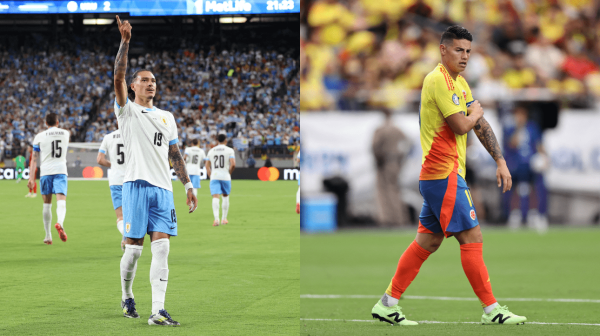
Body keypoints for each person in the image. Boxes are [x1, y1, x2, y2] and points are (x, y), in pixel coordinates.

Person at [371, 25, 527, 326]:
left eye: (468, 51)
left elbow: (477, 125)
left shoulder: (459, 83)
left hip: (441, 176)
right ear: (443, 50)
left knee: (426, 243)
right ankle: (491, 309)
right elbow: (462, 125)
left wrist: (500, 159)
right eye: (459, 49)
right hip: (443, 174)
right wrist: (476, 114)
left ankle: (387, 303)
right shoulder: (437, 80)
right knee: (472, 236)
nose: (465, 56)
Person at [113, 16, 197, 326]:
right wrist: (125, 43)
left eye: (154, 81)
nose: (152, 84)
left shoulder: (167, 117)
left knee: (162, 248)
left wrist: (188, 185)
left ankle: (157, 310)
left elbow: (174, 153)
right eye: (145, 80)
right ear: (133, 86)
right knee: (134, 251)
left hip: (163, 189)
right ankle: (126, 295)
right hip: (135, 185)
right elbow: (118, 74)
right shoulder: (127, 110)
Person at [27, 112, 70, 245]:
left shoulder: (39, 136)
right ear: (58, 123)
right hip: (60, 171)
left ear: (46, 123)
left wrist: (31, 177)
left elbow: (34, 158)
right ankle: (60, 223)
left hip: (45, 172)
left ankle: (48, 236)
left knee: (47, 204)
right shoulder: (66, 133)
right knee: (61, 201)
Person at [371, 109, 411, 227]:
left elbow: (375, 147)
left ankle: (387, 218)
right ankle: (400, 217)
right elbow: (408, 144)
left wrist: (379, 160)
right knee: (395, 189)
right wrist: (401, 158)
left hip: (385, 162)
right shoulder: (397, 129)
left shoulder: (381, 129)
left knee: (385, 190)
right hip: (396, 162)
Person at [97, 127, 127, 251]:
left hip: (116, 181)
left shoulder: (108, 137)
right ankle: (128, 237)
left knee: (120, 217)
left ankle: (125, 237)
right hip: (132, 180)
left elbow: (99, 159)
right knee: (132, 215)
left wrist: (113, 164)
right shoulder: (134, 134)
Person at [206, 133, 236, 226]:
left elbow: (207, 166)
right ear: (225, 140)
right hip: (225, 176)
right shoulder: (230, 150)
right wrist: (229, 173)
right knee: (225, 196)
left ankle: (216, 220)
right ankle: (224, 219)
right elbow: (233, 164)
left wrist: (211, 176)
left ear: (217, 141)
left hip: (215, 176)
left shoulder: (211, 151)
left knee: (215, 197)